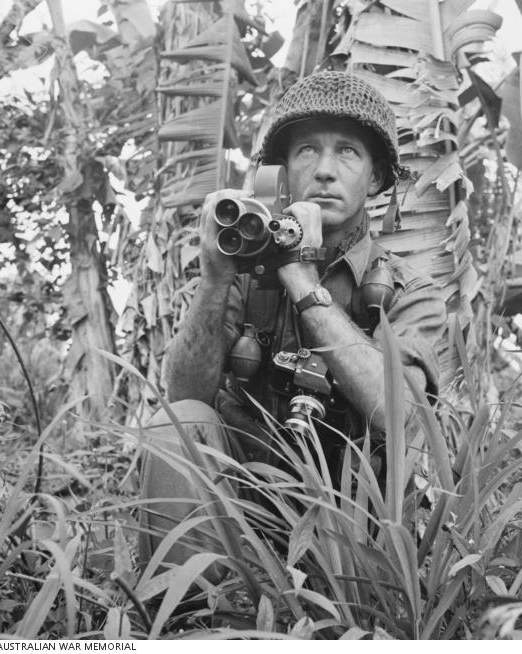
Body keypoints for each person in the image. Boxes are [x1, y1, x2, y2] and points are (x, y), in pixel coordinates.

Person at [139, 71, 447, 566]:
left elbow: (398, 413)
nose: (324, 170)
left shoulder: (412, 293)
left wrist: (302, 280)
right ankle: (194, 625)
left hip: (352, 528)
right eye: (307, 150)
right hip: (241, 507)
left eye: (347, 151)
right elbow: (183, 397)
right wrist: (215, 280)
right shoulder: (242, 274)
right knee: (175, 424)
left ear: (375, 177)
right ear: (281, 173)